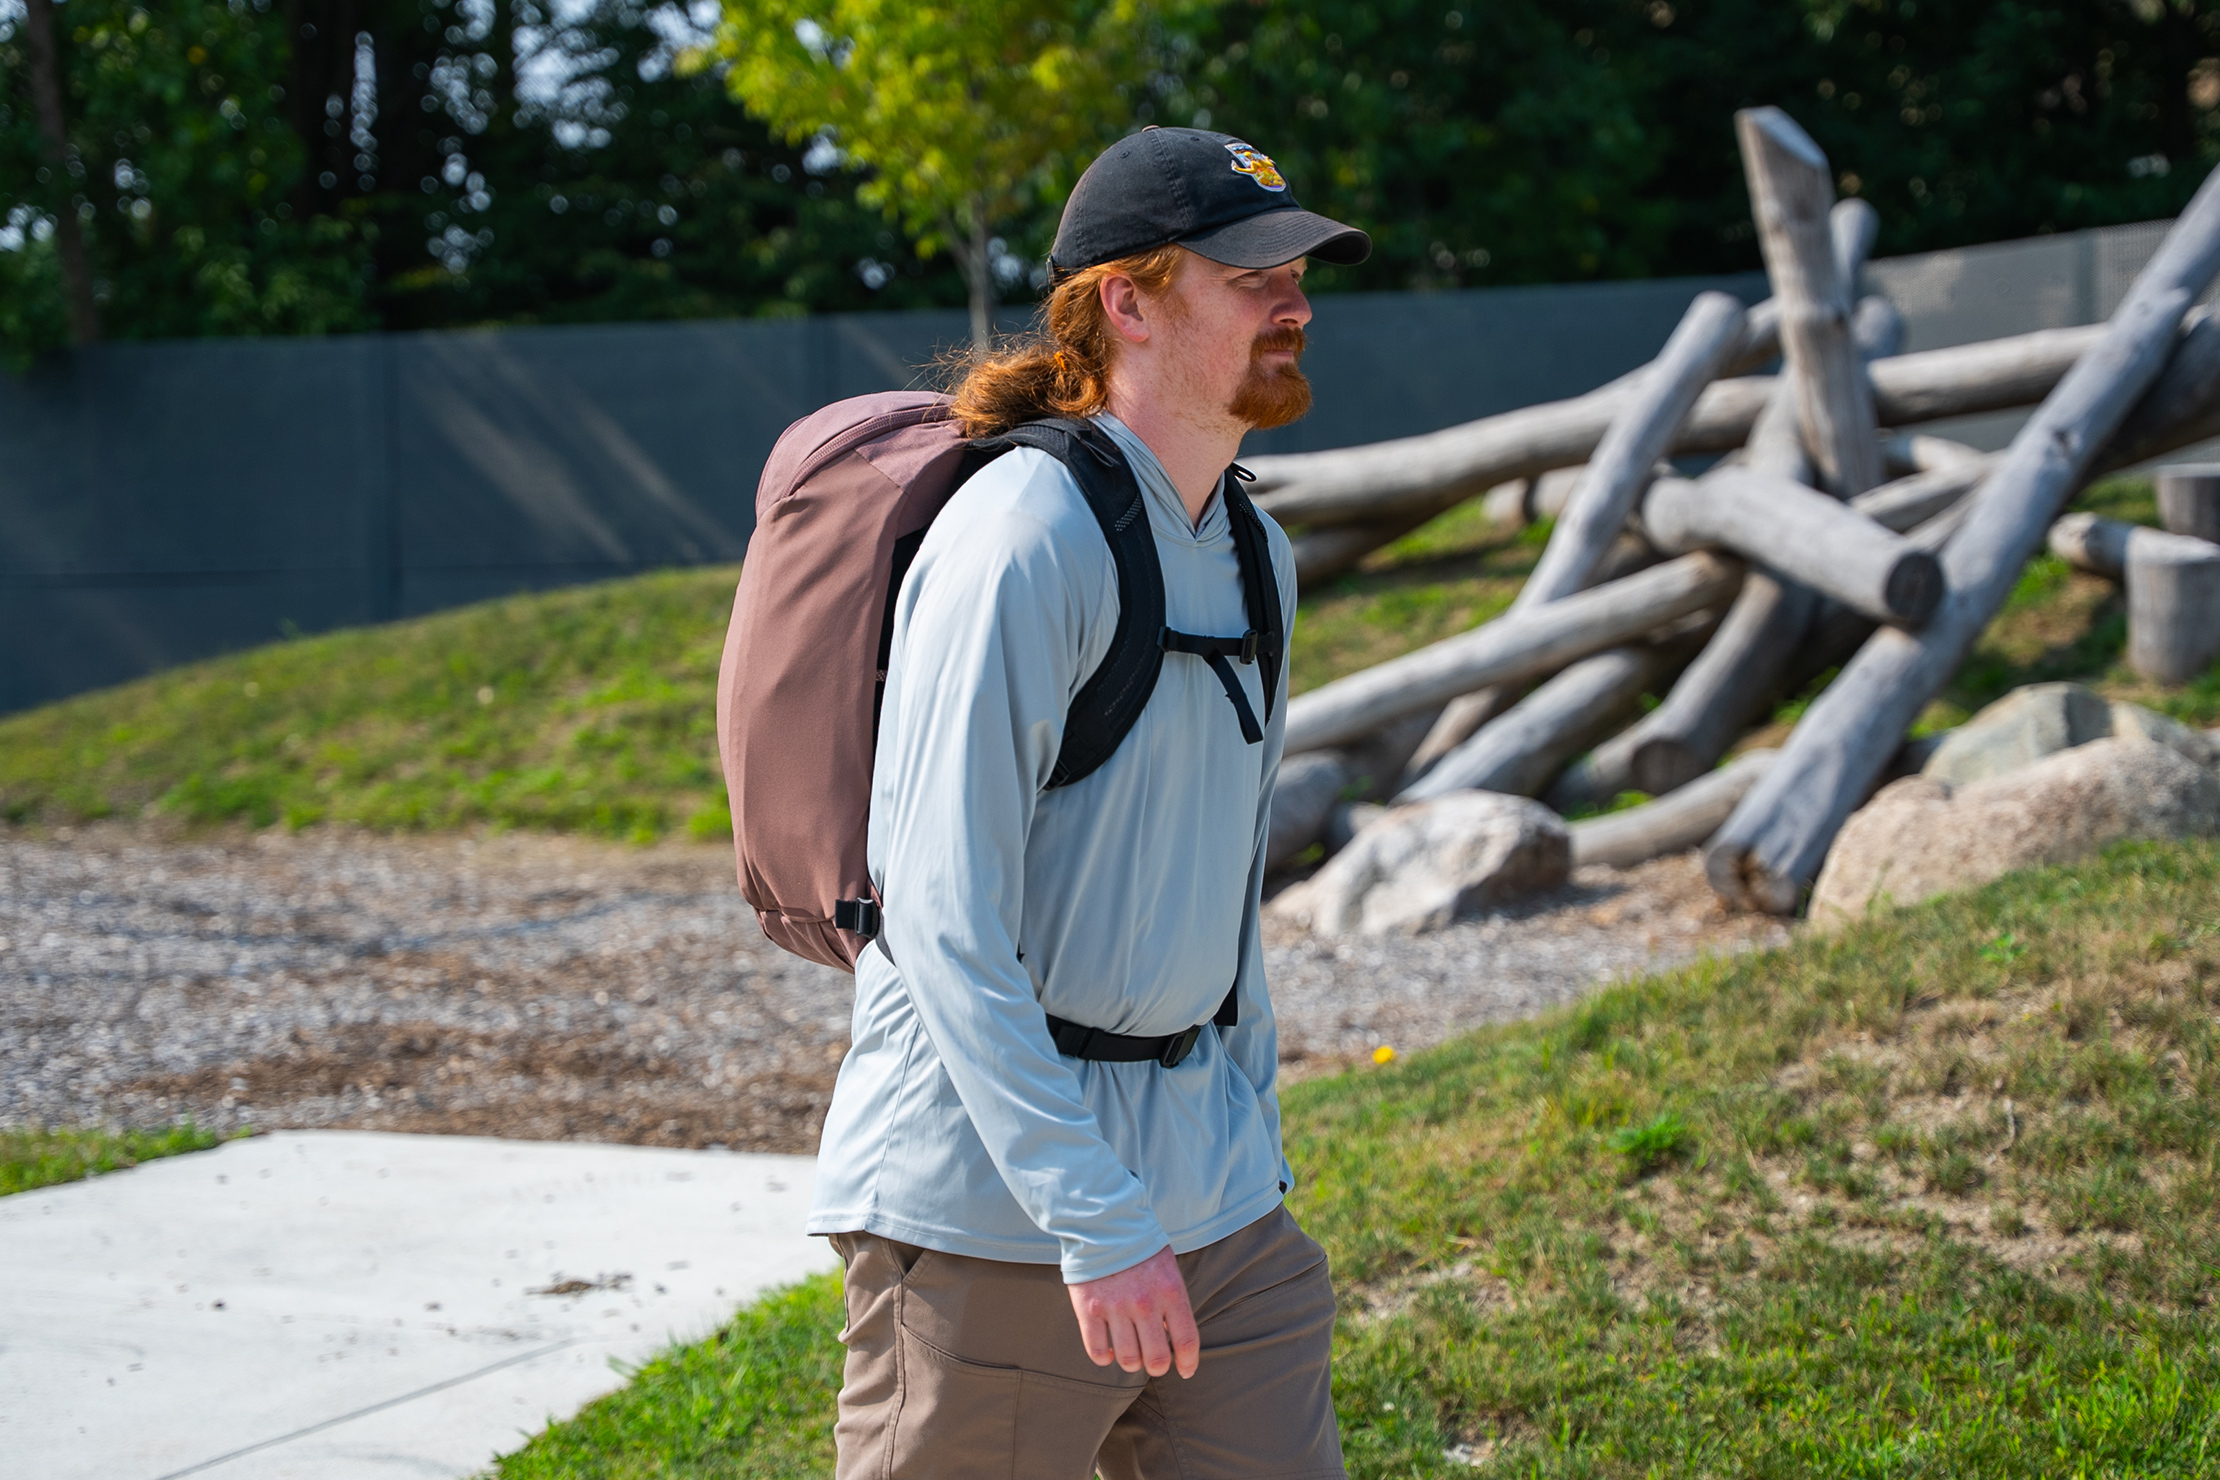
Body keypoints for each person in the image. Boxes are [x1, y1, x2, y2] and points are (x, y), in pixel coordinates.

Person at [808, 126, 1370, 1480]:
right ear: (1128, 302)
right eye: (1251, 277)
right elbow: (940, 916)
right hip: (992, 1216)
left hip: (1217, 1211)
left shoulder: (1256, 549)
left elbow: (1224, 885)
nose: (1294, 303)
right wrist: (1094, 1217)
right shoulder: (1023, 536)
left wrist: (1245, 1132)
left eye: (1299, 273)